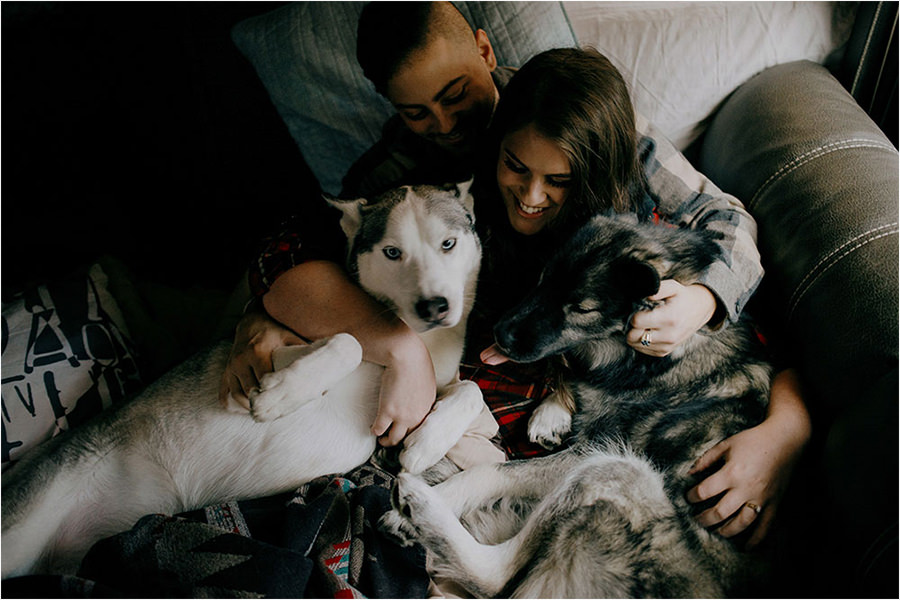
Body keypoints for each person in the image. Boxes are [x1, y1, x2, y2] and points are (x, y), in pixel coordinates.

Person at [222, 3, 810, 544]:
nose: (448, 123)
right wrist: (262, 315)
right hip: (516, 427)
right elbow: (303, 242)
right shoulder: (405, 166)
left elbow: (727, 234)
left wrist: (715, 316)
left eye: (456, 95)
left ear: (485, 52)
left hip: (632, 424)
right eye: (417, 111)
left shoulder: (596, 138)